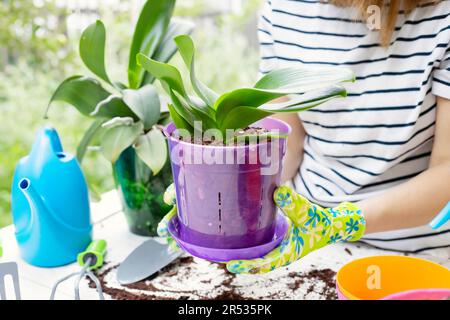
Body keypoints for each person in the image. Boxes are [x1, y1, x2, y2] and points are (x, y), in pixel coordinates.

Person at [159, 0, 450, 273]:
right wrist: (223, 192)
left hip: (415, 254)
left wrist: (339, 224)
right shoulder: (284, 6)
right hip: (302, 238)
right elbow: (286, 144)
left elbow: (446, 171)